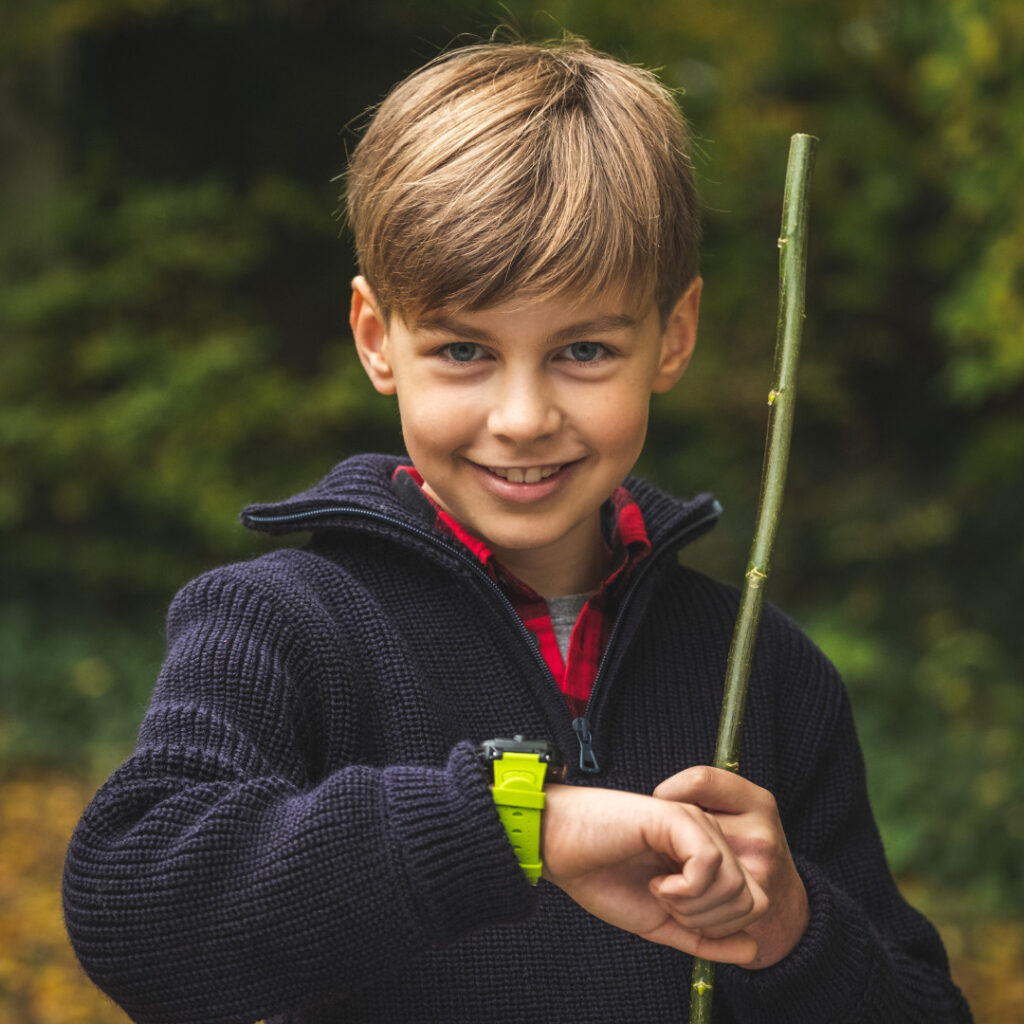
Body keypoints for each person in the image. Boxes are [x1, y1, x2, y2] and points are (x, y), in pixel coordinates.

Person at [63, 37, 972, 1024]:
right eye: (464, 350)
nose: (524, 417)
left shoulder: (767, 672)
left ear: (673, 335)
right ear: (376, 339)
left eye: (584, 350)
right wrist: (517, 826)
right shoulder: (280, 624)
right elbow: (132, 907)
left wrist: (794, 929)